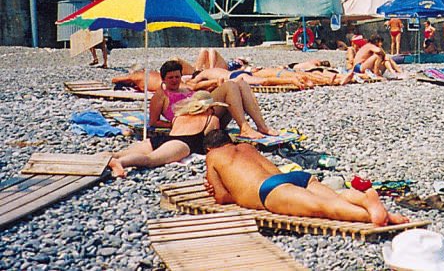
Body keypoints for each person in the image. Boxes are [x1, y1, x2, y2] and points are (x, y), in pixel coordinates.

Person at [203, 130, 408, 225]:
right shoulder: (246, 146)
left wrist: (233, 193)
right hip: (295, 177)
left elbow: (221, 197)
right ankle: (365, 199)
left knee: (325, 208)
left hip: (269, 190)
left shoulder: (213, 155)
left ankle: (380, 216)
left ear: (209, 148)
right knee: (334, 198)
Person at [148, 60, 278, 139]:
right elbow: (153, 122)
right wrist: (173, 125)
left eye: (177, 77)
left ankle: (262, 126)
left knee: (241, 82)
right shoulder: (161, 96)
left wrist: (213, 86)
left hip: (208, 115)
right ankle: (244, 128)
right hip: (196, 124)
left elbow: (199, 91)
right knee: (230, 86)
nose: (175, 80)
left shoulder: (184, 87)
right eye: (171, 78)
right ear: (163, 79)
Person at [107, 91, 224, 177]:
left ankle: (100, 158)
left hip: (163, 139)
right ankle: (120, 163)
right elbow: (212, 141)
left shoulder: (179, 116)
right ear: (209, 108)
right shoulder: (211, 119)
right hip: (181, 144)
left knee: (120, 153)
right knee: (150, 160)